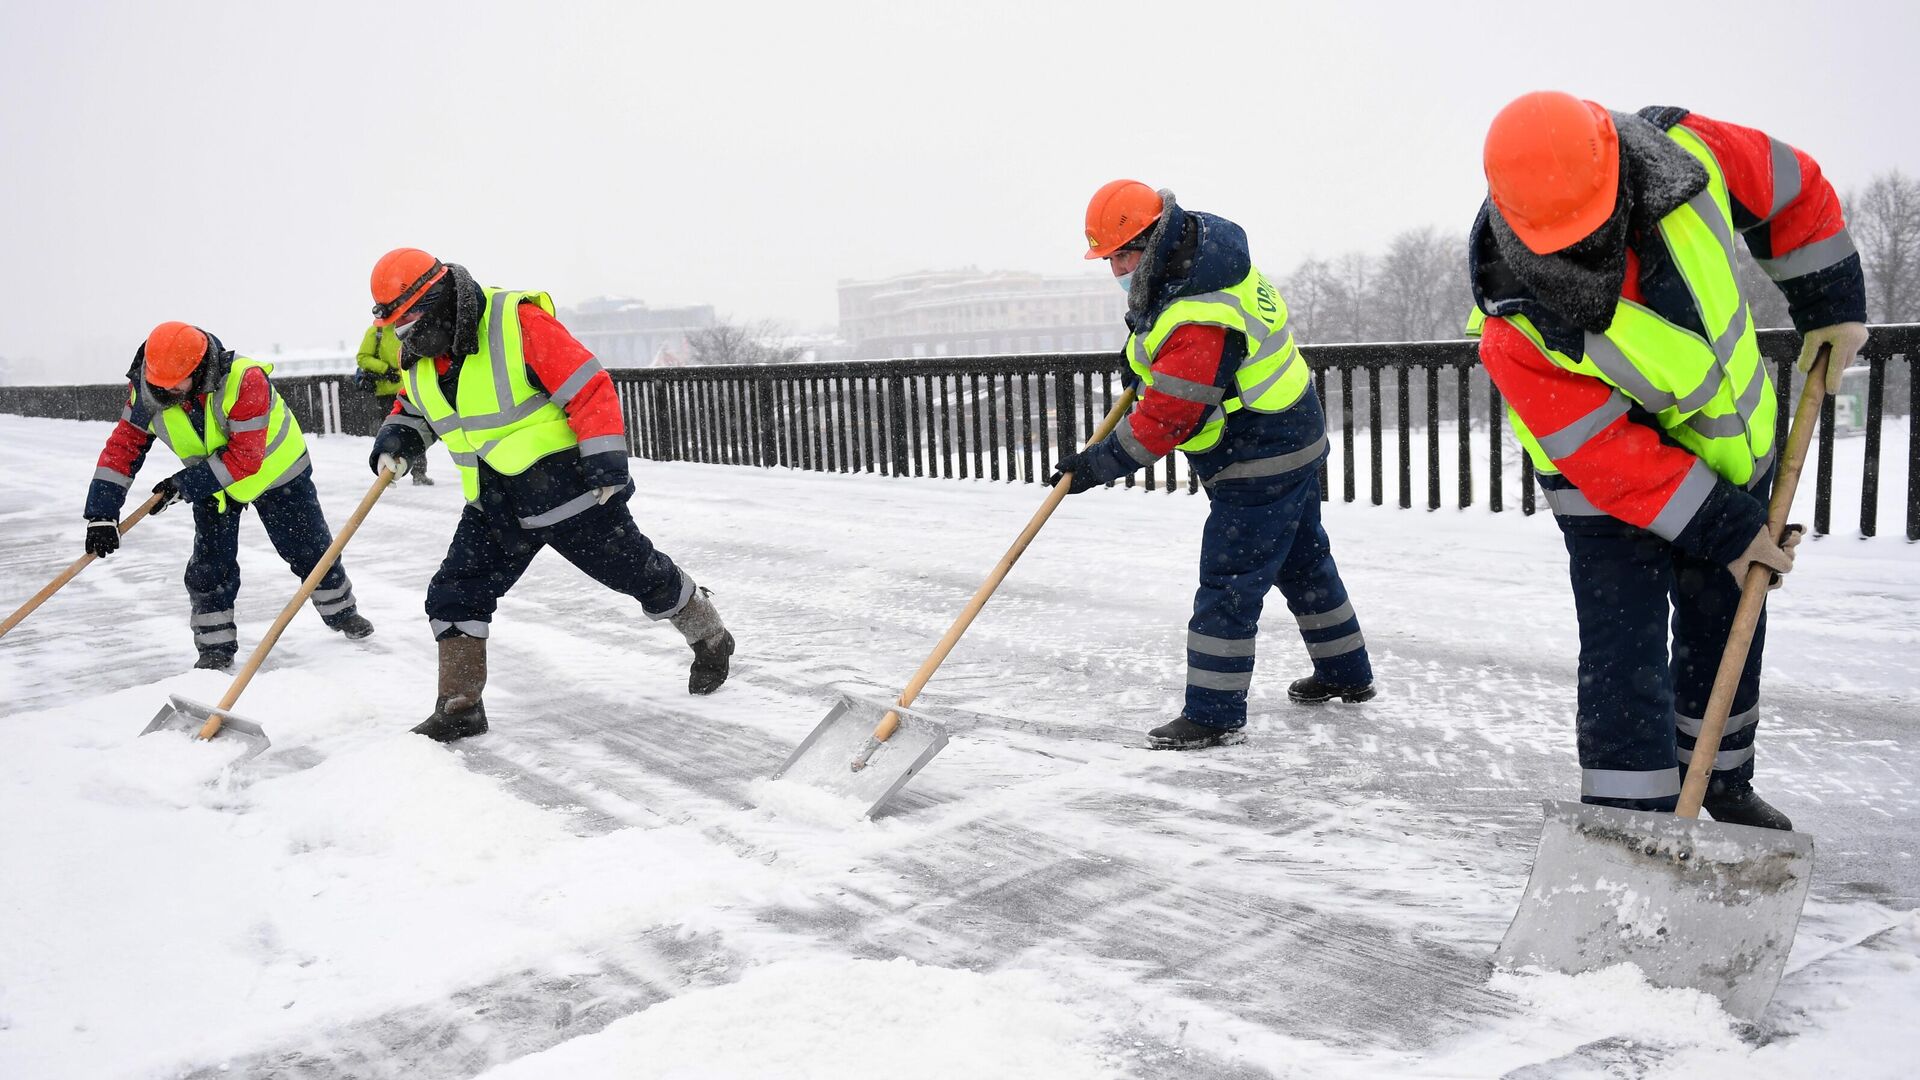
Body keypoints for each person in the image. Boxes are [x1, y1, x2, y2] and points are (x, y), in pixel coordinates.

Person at [1469, 92, 1870, 829]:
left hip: (1730, 445)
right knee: (1627, 652)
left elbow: (1794, 188)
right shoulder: (1516, 324)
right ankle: (1633, 822)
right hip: (1600, 484)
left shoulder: (1689, 153)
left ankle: (1719, 780)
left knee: (1728, 616)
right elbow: (1605, 453)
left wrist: (1831, 302)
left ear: (1618, 169)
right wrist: (1722, 526)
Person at [1052, 181, 1375, 750]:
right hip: (1292, 434)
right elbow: (1170, 365)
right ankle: (1346, 673)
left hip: (1260, 454)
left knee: (1228, 582)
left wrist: (1096, 465)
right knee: (1304, 562)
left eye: (1120, 256)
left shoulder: (1201, 310)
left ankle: (1213, 712)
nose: (1115, 271)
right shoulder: (1200, 267)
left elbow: (1168, 419)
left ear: (1151, 242)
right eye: (1108, 259)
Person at [365, 248, 733, 742]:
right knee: (456, 591)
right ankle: (460, 705)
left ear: (437, 298)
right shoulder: (419, 354)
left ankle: (709, 635)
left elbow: (588, 387)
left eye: (408, 320)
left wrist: (605, 461)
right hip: (493, 501)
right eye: (394, 325)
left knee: (639, 574)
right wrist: (398, 440)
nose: (403, 334)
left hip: (569, 491)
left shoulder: (517, 322)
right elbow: (415, 406)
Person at [83, 321, 374, 668]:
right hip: (212, 483)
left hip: (276, 472)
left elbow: (245, 458)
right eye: (158, 385)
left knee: (309, 549)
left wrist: (183, 486)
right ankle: (215, 650)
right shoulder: (148, 391)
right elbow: (122, 450)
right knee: (209, 567)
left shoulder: (244, 380)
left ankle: (341, 612)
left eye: (176, 385)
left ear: (198, 368)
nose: (165, 393)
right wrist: (102, 513)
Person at [352, 322, 432, 485]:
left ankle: (418, 471)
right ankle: (390, 468)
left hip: (410, 388)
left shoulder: (410, 327)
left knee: (414, 428)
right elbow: (362, 357)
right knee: (398, 430)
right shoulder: (376, 332)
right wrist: (385, 370)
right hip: (387, 391)